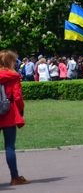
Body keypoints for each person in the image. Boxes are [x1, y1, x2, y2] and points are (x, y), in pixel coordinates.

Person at [0, 50, 28, 186]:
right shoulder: (13, 76)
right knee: (9, 146)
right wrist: (21, 110)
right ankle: (14, 177)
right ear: (10, 61)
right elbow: (17, 97)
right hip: (8, 113)